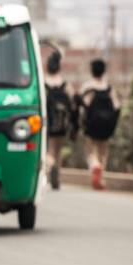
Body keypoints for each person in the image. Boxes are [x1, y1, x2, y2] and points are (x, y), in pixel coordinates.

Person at [76, 58, 120, 190]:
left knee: (91, 152)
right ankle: (101, 179)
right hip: (106, 127)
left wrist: (80, 123)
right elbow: (117, 107)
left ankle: (95, 166)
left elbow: (82, 107)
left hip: (91, 126)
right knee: (103, 153)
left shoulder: (88, 87)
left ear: (92, 71)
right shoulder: (109, 88)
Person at [43, 50, 78, 189]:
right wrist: (74, 126)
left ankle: (49, 166)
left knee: (49, 150)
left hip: (47, 122)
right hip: (62, 122)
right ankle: (57, 178)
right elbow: (74, 104)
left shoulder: (43, 83)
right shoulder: (65, 84)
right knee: (58, 149)